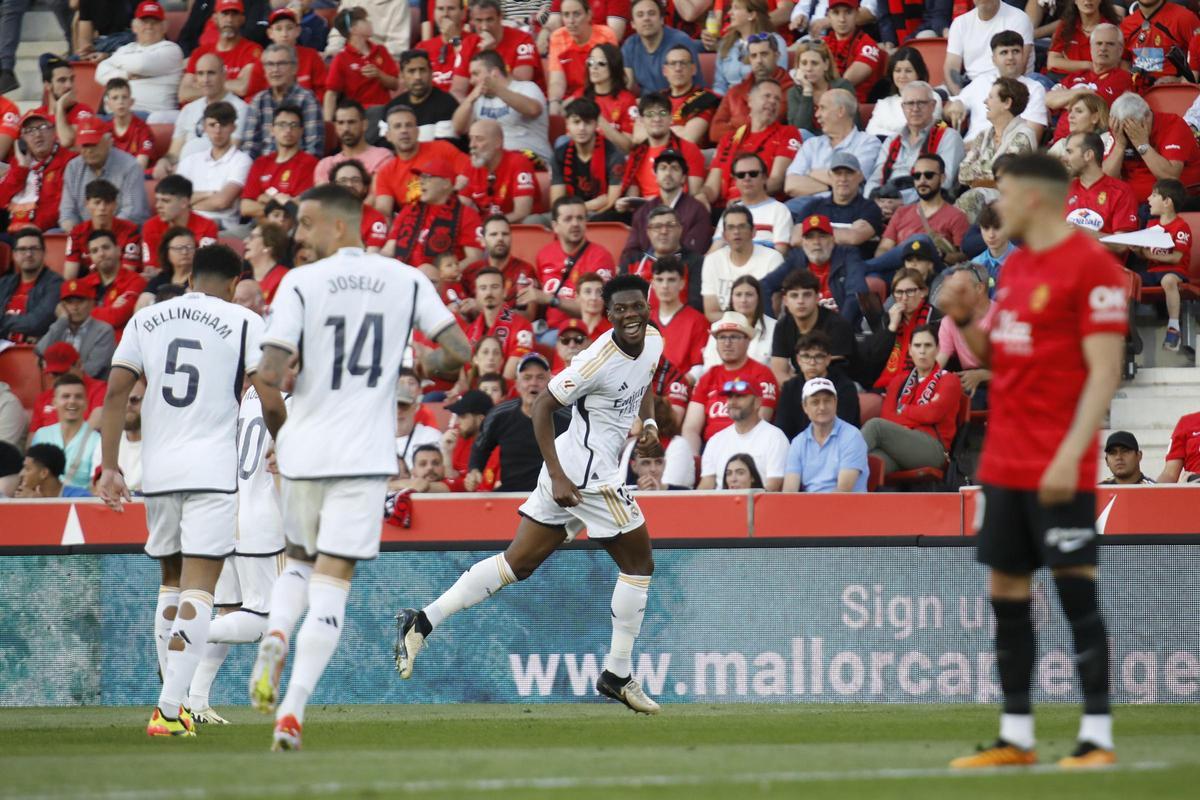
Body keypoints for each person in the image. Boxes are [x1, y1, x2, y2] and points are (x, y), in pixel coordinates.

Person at [244, 184, 469, 750]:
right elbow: (459, 353)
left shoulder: (300, 282)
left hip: (307, 448)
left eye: (306, 223)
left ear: (338, 227)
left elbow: (268, 373)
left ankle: (275, 631)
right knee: (335, 582)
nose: (298, 235)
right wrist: (422, 360)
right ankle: (291, 712)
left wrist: (282, 432)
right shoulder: (406, 278)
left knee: (296, 564)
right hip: (366, 456)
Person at [395, 274, 664, 716]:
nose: (631, 315)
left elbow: (645, 380)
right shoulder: (595, 360)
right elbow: (542, 406)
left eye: (637, 306)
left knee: (514, 564)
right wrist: (558, 477)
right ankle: (617, 674)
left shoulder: (652, 340)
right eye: (621, 310)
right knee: (639, 565)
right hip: (587, 476)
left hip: (575, 465)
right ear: (609, 315)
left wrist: (649, 425)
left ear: (646, 306)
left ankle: (422, 620)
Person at [938, 152, 1127, 770]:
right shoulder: (1015, 271)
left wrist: (1071, 456)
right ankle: (1016, 735)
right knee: (1006, 594)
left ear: (1037, 199)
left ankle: (1096, 737)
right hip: (1004, 461)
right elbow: (1006, 357)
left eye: (1008, 196)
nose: (998, 209)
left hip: (1057, 464)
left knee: (1077, 595)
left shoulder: (1090, 267)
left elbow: (1103, 374)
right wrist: (968, 321)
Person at [96, 242, 285, 738]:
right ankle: (169, 707)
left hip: (158, 469)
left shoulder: (147, 318)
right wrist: (282, 439)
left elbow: (116, 392)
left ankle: (171, 693)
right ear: (232, 281)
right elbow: (267, 393)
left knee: (171, 578)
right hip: (211, 470)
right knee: (202, 585)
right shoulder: (244, 321)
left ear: (191, 276)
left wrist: (110, 466)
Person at [184, 380, 290, 724]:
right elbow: (281, 462)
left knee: (231, 610)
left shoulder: (252, 393)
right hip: (263, 518)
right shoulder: (291, 400)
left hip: (230, 508)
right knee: (266, 620)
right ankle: (184, 635)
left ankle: (196, 702)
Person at [861, 325, 962, 474]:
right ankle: (833, 490)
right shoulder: (899, 381)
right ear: (909, 349)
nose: (922, 351)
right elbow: (887, 417)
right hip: (900, 445)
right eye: (917, 345)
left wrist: (903, 410)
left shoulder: (949, 380)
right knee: (871, 463)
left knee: (875, 426)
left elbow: (932, 414)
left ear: (937, 349)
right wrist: (916, 416)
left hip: (933, 450)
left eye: (928, 345)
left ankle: (834, 467)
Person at [464, 352, 569, 492]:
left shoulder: (568, 417)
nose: (533, 383)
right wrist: (474, 471)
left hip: (555, 495)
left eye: (540, 377)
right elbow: (480, 448)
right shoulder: (499, 414)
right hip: (510, 494)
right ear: (517, 384)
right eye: (527, 378)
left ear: (550, 383)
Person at [682, 311, 778, 451]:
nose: (727, 343)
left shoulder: (762, 374)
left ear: (747, 341)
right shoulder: (708, 376)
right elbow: (691, 428)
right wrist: (694, 460)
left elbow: (760, 423)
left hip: (748, 448)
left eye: (734, 337)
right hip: (710, 449)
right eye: (721, 337)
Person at [870, 153, 969, 280]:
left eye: (928, 175)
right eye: (917, 176)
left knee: (919, 241)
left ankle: (863, 267)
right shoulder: (901, 212)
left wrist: (939, 254)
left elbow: (964, 257)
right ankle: (865, 269)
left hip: (933, 274)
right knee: (871, 279)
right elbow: (884, 248)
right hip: (901, 273)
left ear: (942, 178)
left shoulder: (957, 216)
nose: (922, 181)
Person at [525, 197, 617, 332]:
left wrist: (551, 300)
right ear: (555, 226)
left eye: (580, 218)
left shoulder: (600, 257)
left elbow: (597, 307)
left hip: (585, 332)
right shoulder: (544, 255)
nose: (575, 224)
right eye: (568, 219)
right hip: (551, 330)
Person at [865, 81, 965, 204]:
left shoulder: (949, 137)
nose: (915, 109)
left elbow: (943, 184)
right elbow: (875, 179)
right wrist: (875, 202)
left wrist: (901, 202)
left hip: (925, 208)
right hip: (885, 204)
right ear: (903, 108)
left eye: (921, 103)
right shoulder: (891, 141)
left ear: (933, 106)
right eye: (910, 103)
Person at [955, 78, 1037, 222]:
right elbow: (962, 173)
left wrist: (977, 177)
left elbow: (1004, 176)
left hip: (1013, 204)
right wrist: (989, 175)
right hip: (985, 200)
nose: (985, 102)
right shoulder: (983, 135)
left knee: (972, 198)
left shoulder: (1023, 135)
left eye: (991, 97)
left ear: (1007, 103)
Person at [706, 82, 801, 207]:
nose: (773, 101)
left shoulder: (787, 133)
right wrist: (700, 197)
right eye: (767, 96)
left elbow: (777, 180)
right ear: (750, 101)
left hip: (761, 206)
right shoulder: (730, 138)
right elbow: (712, 187)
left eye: (777, 99)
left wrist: (744, 200)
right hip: (723, 208)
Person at [943, 31, 1047, 145]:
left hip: (1005, 154)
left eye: (1016, 51)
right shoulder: (981, 82)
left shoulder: (1034, 89)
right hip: (966, 151)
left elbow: (1030, 139)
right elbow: (947, 111)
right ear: (994, 59)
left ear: (1023, 56)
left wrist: (977, 147)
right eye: (1004, 53)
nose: (1010, 57)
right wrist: (957, 103)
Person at [158, 53, 250, 178]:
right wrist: (165, 161)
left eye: (211, 73)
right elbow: (174, 152)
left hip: (214, 174)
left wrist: (188, 168)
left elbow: (230, 150)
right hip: (182, 175)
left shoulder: (239, 108)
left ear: (224, 75)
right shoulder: (188, 109)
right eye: (200, 74)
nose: (205, 80)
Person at [453, 50, 550, 168]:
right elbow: (458, 128)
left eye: (476, 74)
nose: (472, 81)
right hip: (493, 160)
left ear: (494, 73)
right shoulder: (478, 98)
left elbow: (533, 110)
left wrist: (497, 90)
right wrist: (470, 98)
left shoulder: (526, 87)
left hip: (531, 156)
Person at [382, 161, 483, 274]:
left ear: (446, 183)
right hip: (404, 279)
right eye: (420, 177)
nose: (421, 182)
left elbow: (475, 258)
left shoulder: (466, 214)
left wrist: (444, 274)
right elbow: (389, 250)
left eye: (427, 177)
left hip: (443, 284)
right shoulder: (408, 210)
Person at [371, 105, 471, 216]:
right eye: (397, 126)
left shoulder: (442, 149)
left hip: (450, 216)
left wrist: (458, 190)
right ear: (388, 136)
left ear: (418, 131)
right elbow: (384, 211)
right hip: (413, 225)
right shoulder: (386, 172)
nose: (404, 130)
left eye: (409, 125)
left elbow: (471, 170)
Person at [771, 213, 868, 326]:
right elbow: (765, 286)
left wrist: (840, 328)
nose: (816, 242)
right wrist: (770, 325)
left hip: (839, 328)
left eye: (822, 236)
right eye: (810, 237)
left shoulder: (848, 255)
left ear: (832, 239)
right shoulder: (796, 258)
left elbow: (856, 294)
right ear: (803, 242)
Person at [1103, 92, 1200, 205]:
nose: (1129, 134)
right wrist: (1119, 145)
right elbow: (1106, 181)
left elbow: (1170, 177)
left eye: (1132, 128)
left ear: (1147, 117)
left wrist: (1142, 145)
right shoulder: (1119, 130)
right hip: (1127, 201)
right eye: (1124, 129)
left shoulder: (1173, 125)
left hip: (1169, 202)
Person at [784, 89, 880, 203]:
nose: (817, 114)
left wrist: (810, 172)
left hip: (844, 208)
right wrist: (833, 186)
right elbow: (790, 185)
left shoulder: (867, 143)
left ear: (840, 111)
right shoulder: (811, 144)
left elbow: (853, 180)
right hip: (805, 206)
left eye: (822, 108)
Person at [620, 154, 713, 271]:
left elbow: (695, 252)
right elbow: (631, 251)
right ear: (655, 175)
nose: (668, 173)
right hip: (646, 271)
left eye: (674, 168)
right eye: (663, 168)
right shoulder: (643, 211)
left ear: (684, 177)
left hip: (682, 274)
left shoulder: (697, 210)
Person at [94, 1, 184, 120]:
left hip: (151, 115)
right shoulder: (126, 48)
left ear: (164, 27)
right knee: (85, 124)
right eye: (144, 22)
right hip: (114, 114)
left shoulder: (171, 49)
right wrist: (125, 74)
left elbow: (141, 65)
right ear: (134, 27)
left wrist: (114, 59)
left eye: (155, 22)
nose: (149, 26)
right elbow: (100, 73)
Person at [59, 119, 151, 231]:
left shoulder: (130, 166)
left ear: (109, 142)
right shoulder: (73, 167)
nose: (89, 151)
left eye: (93, 144)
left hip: (123, 233)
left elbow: (132, 213)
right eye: (84, 145)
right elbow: (67, 211)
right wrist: (78, 234)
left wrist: (100, 235)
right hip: (84, 234)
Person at [1045, 23, 1130, 145]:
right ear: (1091, 48)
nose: (1103, 48)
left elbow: (1094, 106)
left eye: (1110, 44)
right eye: (1098, 43)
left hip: (1088, 146)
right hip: (1059, 144)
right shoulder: (1078, 75)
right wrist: (1083, 92)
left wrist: (1064, 97)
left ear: (1120, 50)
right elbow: (1048, 99)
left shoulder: (1122, 78)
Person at [176, 101, 255, 231]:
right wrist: (209, 193)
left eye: (223, 125)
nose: (217, 131)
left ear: (233, 127)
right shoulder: (190, 160)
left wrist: (187, 204)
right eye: (212, 125)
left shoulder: (242, 160)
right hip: (187, 223)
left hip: (221, 226)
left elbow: (222, 202)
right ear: (205, 127)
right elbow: (175, 199)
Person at [697, 379, 788, 490]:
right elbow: (707, 484)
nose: (732, 402)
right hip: (720, 505)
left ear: (757, 402)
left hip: (759, 505)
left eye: (740, 396)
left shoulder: (775, 437)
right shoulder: (715, 440)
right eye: (730, 397)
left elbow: (774, 485)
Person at [782, 377, 869, 493]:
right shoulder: (798, 442)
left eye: (827, 401)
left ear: (835, 403)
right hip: (809, 507)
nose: (822, 407)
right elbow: (789, 491)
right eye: (815, 402)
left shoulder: (852, 436)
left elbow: (843, 491)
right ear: (805, 407)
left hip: (847, 507)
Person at [617, 93, 708, 204]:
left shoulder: (688, 149)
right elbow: (632, 195)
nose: (657, 119)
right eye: (650, 114)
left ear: (670, 118)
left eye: (663, 113)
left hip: (678, 211)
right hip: (644, 212)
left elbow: (693, 195)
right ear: (641, 120)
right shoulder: (637, 154)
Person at [774, 330, 860, 441]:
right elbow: (782, 429)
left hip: (838, 447)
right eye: (806, 356)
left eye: (818, 356)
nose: (812, 362)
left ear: (828, 359)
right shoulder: (790, 388)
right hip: (797, 449)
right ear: (798, 360)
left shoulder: (845, 388)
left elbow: (844, 429)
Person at [0, 110, 77, 232]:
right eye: (29, 131)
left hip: (44, 231)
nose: (37, 135)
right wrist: (22, 169)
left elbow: (63, 206)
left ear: (54, 132)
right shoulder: (19, 161)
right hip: (12, 229)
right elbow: (2, 199)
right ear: (22, 139)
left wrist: (31, 227)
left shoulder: (67, 160)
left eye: (43, 127)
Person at [1138, 179, 1192, 351]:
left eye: (1154, 195)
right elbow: (1144, 252)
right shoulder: (1151, 224)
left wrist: (1148, 254)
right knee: (1128, 279)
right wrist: (1136, 249)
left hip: (1175, 272)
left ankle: (1174, 327)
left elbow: (1176, 257)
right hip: (1152, 272)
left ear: (1167, 202)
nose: (1148, 199)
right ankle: (1125, 329)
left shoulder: (1181, 226)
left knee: (1168, 280)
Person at [242, 44, 323, 160]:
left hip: (297, 169)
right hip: (263, 170)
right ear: (264, 70)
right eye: (270, 64)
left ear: (294, 68)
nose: (275, 70)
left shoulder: (306, 99)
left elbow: (313, 148)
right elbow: (249, 147)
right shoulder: (258, 100)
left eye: (281, 64)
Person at [240, 105, 320, 221]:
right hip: (257, 227)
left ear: (301, 131)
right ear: (272, 130)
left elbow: (297, 207)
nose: (288, 130)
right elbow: (245, 207)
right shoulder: (261, 163)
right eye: (282, 125)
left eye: (294, 125)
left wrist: (264, 199)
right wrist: (281, 202)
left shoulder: (309, 163)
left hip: (290, 227)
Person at [710, 35, 793, 144]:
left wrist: (734, 123)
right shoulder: (735, 91)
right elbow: (715, 132)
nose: (759, 60)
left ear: (777, 56)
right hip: (732, 148)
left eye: (764, 54)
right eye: (754, 56)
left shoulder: (790, 89)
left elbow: (767, 123)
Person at [550, 98, 625, 218]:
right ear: (567, 124)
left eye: (587, 122)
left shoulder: (613, 155)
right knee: (533, 220)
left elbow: (611, 203)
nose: (581, 128)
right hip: (568, 215)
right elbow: (556, 204)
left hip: (601, 214)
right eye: (576, 122)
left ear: (596, 124)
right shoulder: (560, 155)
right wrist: (588, 205)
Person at [323, 7, 400, 120]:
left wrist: (379, 75)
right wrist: (328, 124)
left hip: (384, 112)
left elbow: (395, 84)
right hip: (357, 116)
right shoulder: (341, 58)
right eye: (365, 20)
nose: (370, 22)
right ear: (353, 29)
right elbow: (331, 94)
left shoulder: (380, 50)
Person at [943, 0, 1034, 95]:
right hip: (970, 85)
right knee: (935, 97)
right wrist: (960, 97)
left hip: (1010, 86)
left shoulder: (1018, 18)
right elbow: (952, 66)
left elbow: (1019, 67)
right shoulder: (960, 23)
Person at [180, 0, 263, 102]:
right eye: (224, 14)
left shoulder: (252, 50)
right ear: (215, 19)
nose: (229, 19)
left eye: (234, 14)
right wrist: (229, 85)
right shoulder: (200, 53)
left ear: (242, 19)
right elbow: (184, 93)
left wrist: (204, 87)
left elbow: (242, 87)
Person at [546, 0, 619, 114]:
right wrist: (554, 102)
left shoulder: (606, 34)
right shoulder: (558, 37)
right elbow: (557, 82)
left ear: (589, 15)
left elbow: (607, 80)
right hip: (570, 100)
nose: (571, 21)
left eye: (576, 14)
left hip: (601, 96)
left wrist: (575, 98)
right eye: (566, 15)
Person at [241, 7, 329, 101]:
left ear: (298, 31)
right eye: (278, 29)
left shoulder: (311, 56)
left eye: (289, 28)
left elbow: (323, 90)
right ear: (270, 33)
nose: (284, 34)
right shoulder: (262, 61)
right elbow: (252, 96)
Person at [31, 373, 101, 490]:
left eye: (78, 397)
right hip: (43, 503)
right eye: (66, 396)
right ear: (54, 403)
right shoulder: (41, 435)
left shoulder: (97, 440)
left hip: (80, 505)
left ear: (86, 403)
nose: (72, 401)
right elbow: (31, 476)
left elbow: (96, 487)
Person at [374, 50, 459, 145]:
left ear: (431, 72)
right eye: (411, 71)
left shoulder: (447, 104)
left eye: (422, 70)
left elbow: (445, 148)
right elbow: (383, 145)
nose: (418, 77)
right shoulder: (393, 107)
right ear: (402, 75)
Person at [937, 263, 993, 407]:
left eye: (960, 288)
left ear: (979, 288)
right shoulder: (949, 320)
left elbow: (1016, 370)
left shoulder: (1003, 315)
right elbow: (940, 359)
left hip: (997, 379)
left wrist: (982, 375)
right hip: (967, 378)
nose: (953, 294)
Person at [63, 179, 142, 280]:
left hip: (122, 286)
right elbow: (69, 276)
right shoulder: (76, 233)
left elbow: (127, 273)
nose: (102, 208)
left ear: (115, 205)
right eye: (97, 202)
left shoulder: (130, 230)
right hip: (90, 287)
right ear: (87, 204)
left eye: (107, 202)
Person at [1064, 132, 1138, 239]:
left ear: (1088, 155)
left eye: (1070, 152)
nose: (1065, 159)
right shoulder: (1063, 190)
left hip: (1100, 255)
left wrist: (1082, 232)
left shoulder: (1121, 192)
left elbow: (1122, 245)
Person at [464, 119, 540, 223]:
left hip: (518, 227)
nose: (472, 145)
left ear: (498, 142)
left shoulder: (519, 163)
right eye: (470, 139)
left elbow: (522, 213)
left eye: (479, 139)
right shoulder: (471, 164)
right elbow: (463, 206)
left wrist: (488, 227)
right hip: (486, 230)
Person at [37, 281, 115, 380]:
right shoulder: (59, 328)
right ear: (61, 306)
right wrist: (62, 321)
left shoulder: (104, 330)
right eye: (69, 302)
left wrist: (61, 378)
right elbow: (40, 351)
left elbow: (92, 370)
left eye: (80, 301)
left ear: (91, 303)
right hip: (59, 388)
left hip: (93, 389)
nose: (75, 307)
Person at [622, 0, 704, 95]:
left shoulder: (680, 41)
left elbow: (687, 89)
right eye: (640, 15)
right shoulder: (630, 44)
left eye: (651, 13)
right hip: (648, 105)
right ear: (633, 24)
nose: (646, 18)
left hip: (682, 102)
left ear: (661, 19)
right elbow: (627, 85)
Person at [707, 0, 787, 96]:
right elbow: (719, 85)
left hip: (761, 101)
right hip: (729, 104)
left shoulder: (775, 41)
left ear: (752, 15)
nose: (729, 13)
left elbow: (778, 80)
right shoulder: (726, 44)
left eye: (736, 8)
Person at [79, 230, 147, 343]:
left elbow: (117, 317)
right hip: (85, 345)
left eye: (106, 247)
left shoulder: (136, 281)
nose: (101, 254)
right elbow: (65, 311)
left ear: (118, 250)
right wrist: (110, 309)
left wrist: (84, 313)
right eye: (95, 251)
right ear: (90, 257)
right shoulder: (83, 284)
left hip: (119, 348)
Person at [466, 267, 535, 377]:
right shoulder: (471, 330)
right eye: (483, 288)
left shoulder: (522, 326)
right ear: (477, 295)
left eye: (495, 287)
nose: (489, 293)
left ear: (504, 292)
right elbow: (469, 371)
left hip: (505, 390)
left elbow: (510, 376)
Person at [141, 176, 220, 272]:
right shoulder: (150, 226)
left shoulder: (207, 226)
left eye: (166, 201)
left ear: (184, 202)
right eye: (157, 200)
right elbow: (150, 268)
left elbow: (206, 266)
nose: (158, 206)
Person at [698, 273, 774, 372]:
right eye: (738, 295)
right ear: (731, 298)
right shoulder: (717, 327)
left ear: (758, 298)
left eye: (749, 295)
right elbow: (710, 367)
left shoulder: (775, 328)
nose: (743, 300)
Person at [0, 228, 63, 344]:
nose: (29, 254)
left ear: (44, 253)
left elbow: (37, 323)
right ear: (14, 255)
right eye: (22, 249)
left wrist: (3, 320)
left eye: (34, 249)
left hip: (31, 353)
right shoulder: (4, 283)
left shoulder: (56, 284)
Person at [462, 215, 540, 308]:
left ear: (511, 238)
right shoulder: (470, 271)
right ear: (483, 241)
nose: (500, 238)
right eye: (493, 234)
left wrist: (483, 308)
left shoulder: (525, 271)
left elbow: (528, 315)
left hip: (514, 323)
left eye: (505, 234)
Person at [866, 47, 943, 139]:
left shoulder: (932, 97)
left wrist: (888, 132)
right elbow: (870, 131)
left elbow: (921, 129)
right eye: (898, 71)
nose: (902, 76)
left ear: (918, 73)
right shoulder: (884, 104)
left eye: (908, 71)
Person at [649, 255, 709, 373]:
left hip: (681, 388)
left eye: (671, 280)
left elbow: (699, 367)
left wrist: (674, 384)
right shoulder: (645, 320)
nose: (665, 286)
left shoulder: (698, 321)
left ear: (682, 283)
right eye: (660, 280)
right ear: (653, 284)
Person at [314, 99, 393, 185]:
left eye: (351, 122)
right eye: (341, 123)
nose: (346, 128)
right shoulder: (326, 165)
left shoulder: (382, 157)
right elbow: (322, 197)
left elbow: (375, 196)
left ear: (364, 125)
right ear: (335, 127)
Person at [1121, 0, 1198, 88]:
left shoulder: (1184, 18)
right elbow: (1124, 60)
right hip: (1138, 94)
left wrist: (1180, 80)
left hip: (1174, 93)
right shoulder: (1126, 24)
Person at [822, 0, 885, 105]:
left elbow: (845, 83)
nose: (842, 19)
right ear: (828, 16)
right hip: (822, 104)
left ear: (857, 14)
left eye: (848, 12)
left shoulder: (868, 45)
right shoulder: (822, 43)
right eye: (836, 13)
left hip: (853, 108)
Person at [786, 41, 854, 135]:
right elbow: (798, 133)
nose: (809, 68)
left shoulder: (842, 87)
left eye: (814, 63)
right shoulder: (794, 93)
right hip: (810, 145)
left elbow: (852, 123)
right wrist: (807, 92)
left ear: (826, 65)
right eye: (804, 63)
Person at [580, 43, 638, 153]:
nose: (594, 67)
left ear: (614, 66)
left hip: (614, 157)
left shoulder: (627, 100)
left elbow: (628, 147)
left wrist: (599, 119)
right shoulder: (581, 96)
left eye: (601, 63)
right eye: (591, 62)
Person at [416, 0, 480, 99]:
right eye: (440, 9)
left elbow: (474, 74)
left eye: (451, 9)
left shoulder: (475, 41)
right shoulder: (423, 47)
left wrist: (454, 39)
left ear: (463, 14)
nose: (445, 14)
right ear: (434, 13)